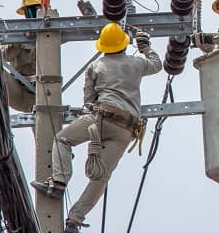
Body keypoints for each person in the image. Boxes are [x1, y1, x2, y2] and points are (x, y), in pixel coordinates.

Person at [31, 22, 162, 233]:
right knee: (101, 178)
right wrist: (145, 45)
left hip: (100, 118)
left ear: (103, 47)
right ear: (124, 45)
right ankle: (74, 221)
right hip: (126, 129)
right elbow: (156, 64)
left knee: (62, 140)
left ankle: (58, 183)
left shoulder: (96, 66)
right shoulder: (137, 64)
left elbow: (88, 100)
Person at [1, 0, 42, 112]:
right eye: (28, 12)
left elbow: (76, 33)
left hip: (44, 93)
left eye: (35, 11)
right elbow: (3, 56)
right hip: (19, 92)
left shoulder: (51, 33)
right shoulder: (18, 34)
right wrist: (20, 40)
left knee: (45, 127)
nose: (32, 16)